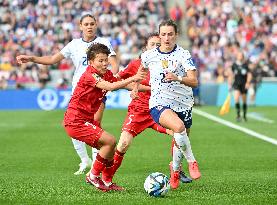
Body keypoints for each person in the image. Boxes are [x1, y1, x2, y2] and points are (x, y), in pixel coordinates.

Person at [16, 14, 119, 175]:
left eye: (92, 23)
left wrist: (110, 78)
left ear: (96, 25)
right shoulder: (74, 44)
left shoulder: (104, 42)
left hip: (98, 90)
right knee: (76, 126)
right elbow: (52, 59)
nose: (89, 26)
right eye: (86, 24)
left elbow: (114, 63)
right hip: (79, 91)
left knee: (95, 125)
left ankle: (94, 167)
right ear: (80, 26)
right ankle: (85, 160)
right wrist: (32, 58)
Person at [63, 43, 146, 191]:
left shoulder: (106, 73)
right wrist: (134, 77)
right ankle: (93, 176)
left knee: (109, 151)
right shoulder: (89, 75)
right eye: (100, 60)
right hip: (75, 121)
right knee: (111, 141)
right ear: (91, 62)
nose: (104, 63)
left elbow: (123, 85)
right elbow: (111, 87)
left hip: (85, 121)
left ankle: (107, 183)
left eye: (105, 60)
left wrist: (150, 88)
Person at [112, 32, 192, 184]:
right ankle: (106, 178)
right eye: (153, 44)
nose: (156, 46)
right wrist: (144, 89)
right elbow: (118, 82)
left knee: (180, 133)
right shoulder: (137, 64)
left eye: (158, 44)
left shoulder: (169, 62)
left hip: (162, 108)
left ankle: (176, 167)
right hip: (139, 111)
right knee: (123, 143)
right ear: (145, 48)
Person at [141, 19, 201, 189]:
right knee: (179, 127)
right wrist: (135, 87)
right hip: (159, 103)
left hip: (184, 102)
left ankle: (174, 170)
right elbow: (140, 73)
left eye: (170, 34)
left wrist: (178, 78)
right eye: (163, 34)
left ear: (176, 35)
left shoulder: (183, 54)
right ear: (159, 36)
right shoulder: (149, 55)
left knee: (180, 137)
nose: (166, 38)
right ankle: (192, 162)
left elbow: (194, 81)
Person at [228, 51, 252, 121]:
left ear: (243, 57)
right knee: (236, 99)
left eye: (241, 56)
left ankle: (244, 115)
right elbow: (231, 75)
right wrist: (229, 84)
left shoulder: (245, 65)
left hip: (244, 84)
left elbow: (249, 74)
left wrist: (248, 82)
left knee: (244, 100)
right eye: (239, 55)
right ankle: (238, 115)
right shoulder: (234, 65)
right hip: (236, 84)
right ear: (237, 56)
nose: (240, 57)